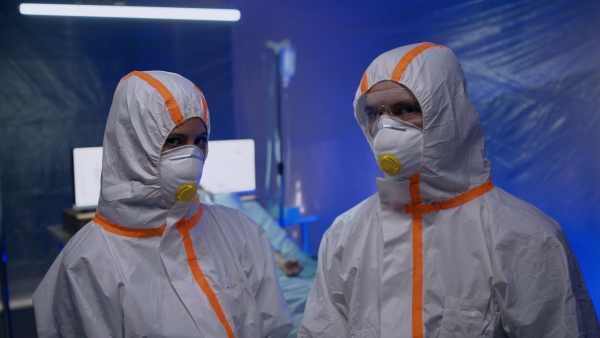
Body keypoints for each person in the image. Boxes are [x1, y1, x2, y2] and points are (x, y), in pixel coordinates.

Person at [298, 43, 599, 337]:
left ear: (449, 115)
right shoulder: (344, 235)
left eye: (406, 109)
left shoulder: (525, 236)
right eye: (375, 113)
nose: (386, 128)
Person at [33, 71, 292, 337]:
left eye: (200, 141)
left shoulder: (239, 232)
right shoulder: (88, 263)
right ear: (134, 145)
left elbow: (272, 326)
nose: (192, 156)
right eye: (175, 141)